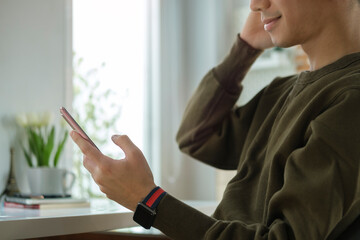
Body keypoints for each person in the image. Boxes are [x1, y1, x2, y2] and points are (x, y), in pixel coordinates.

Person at [70, 0, 360, 239]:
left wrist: (148, 199)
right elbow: (196, 136)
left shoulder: (350, 101)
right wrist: (245, 47)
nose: (256, 5)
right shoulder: (282, 92)